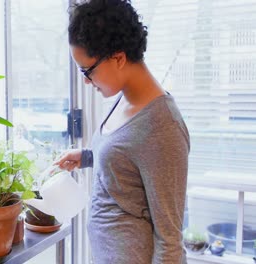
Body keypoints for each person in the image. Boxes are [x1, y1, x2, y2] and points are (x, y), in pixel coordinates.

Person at [54, 0, 190, 263]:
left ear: (118, 58)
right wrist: (87, 157)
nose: (85, 80)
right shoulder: (125, 98)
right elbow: (131, 160)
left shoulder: (164, 128)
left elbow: (170, 240)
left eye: (87, 70)